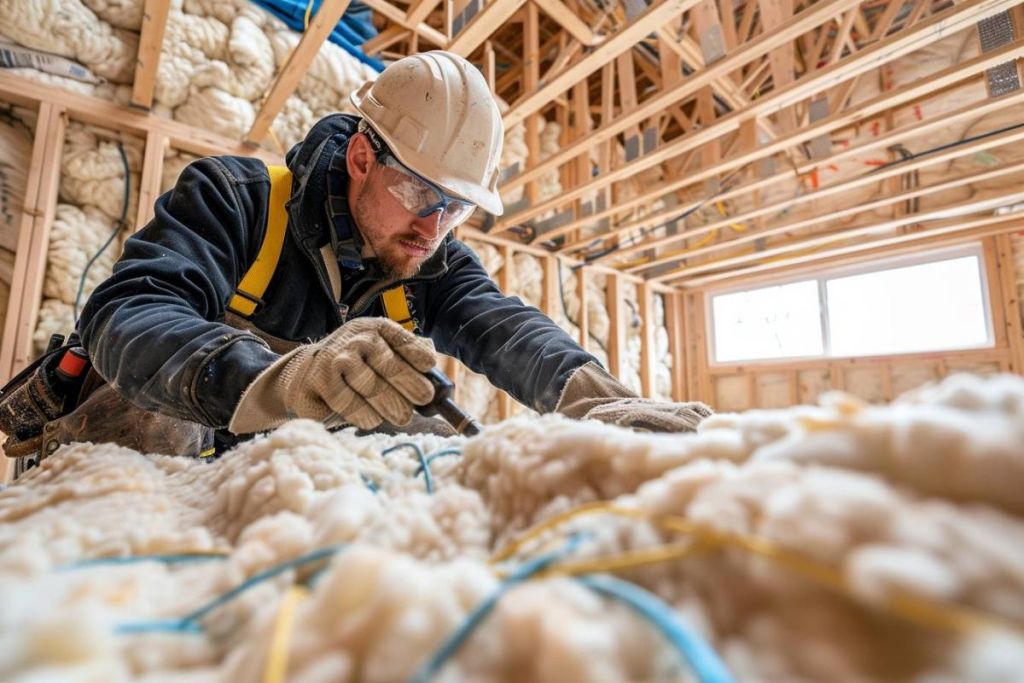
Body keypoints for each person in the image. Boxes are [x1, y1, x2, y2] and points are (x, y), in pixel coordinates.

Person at [32, 51, 712, 458]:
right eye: (419, 191)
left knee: (430, 437)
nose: (434, 224)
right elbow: (126, 315)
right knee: (150, 407)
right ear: (361, 157)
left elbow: (501, 325)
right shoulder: (236, 199)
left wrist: (596, 402)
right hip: (146, 470)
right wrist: (282, 378)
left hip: (261, 481)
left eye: (457, 207)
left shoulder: (428, 253)